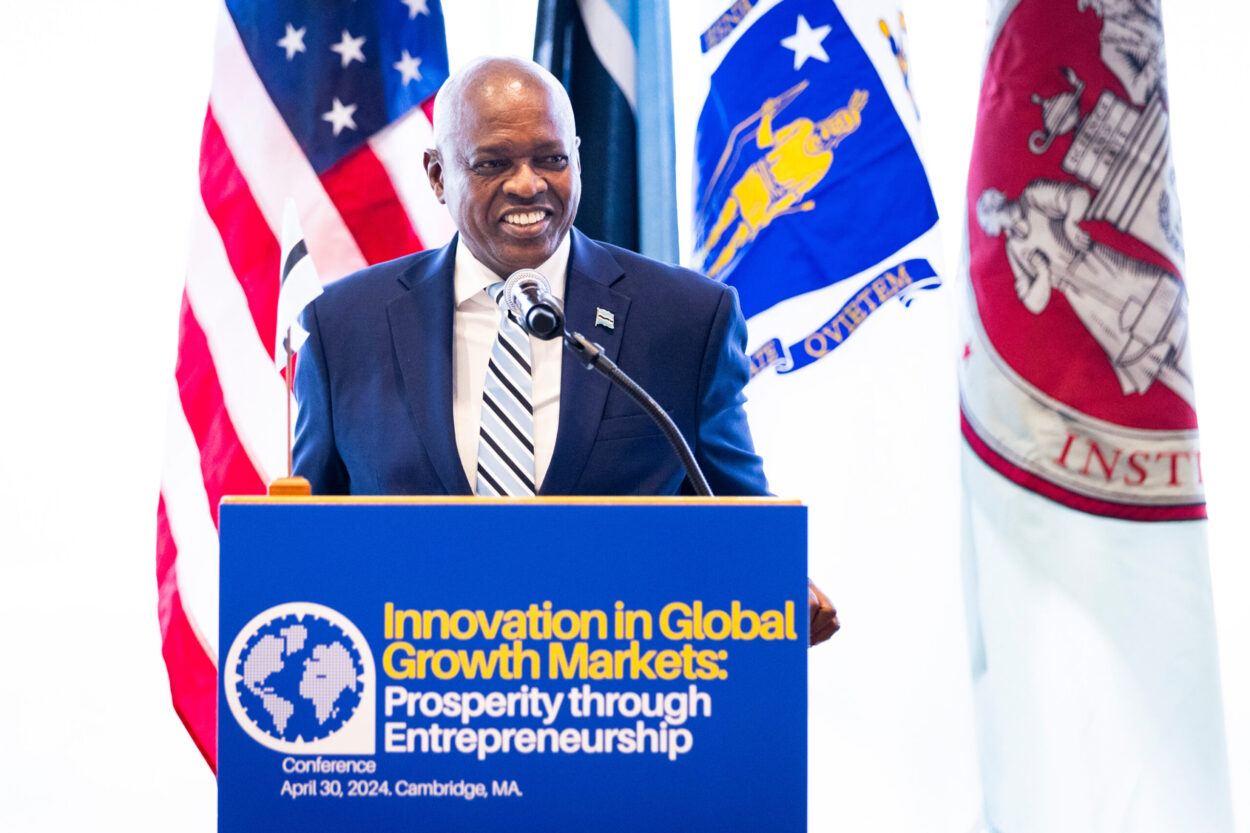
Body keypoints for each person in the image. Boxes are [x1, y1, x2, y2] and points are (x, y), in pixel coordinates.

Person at [293, 56, 836, 644]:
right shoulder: (343, 328)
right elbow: (307, 545)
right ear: (436, 175)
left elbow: (735, 514)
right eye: (492, 163)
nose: (528, 184)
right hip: (407, 702)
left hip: (617, 702)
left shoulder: (685, 320)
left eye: (551, 159)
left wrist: (779, 581)